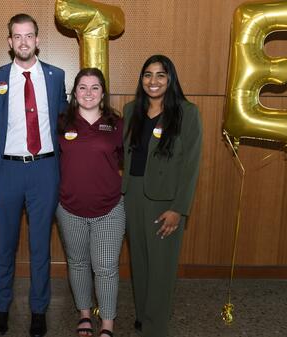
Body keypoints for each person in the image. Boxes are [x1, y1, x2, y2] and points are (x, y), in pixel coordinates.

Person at [0, 13, 67, 337]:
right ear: (9, 42)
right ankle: (2, 306)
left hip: (44, 169)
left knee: (39, 247)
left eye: (28, 36)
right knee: (4, 245)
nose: (23, 42)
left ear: (37, 39)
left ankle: (38, 310)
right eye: (17, 36)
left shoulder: (56, 75)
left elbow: (65, 120)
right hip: (6, 170)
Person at [122, 55, 202, 337]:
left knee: (162, 268)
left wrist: (179, 208)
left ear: (170, 80)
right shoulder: (131, 110)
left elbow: (191, 164)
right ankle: (144, 316)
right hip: (132, 196)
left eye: (160, 75)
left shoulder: (187, 112)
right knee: (140, 263)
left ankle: (156, 328)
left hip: (165, 201)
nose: (152, 81)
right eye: (147, 75)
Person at [56, 68, 124, 337]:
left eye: (94, 87)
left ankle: (107, 323)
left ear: (103, 93)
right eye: (82, 87)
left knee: (106, 267)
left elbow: (126, 161)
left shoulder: (116, 124)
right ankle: (84, 314)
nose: (88, 93)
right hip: (69, 208)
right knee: (78, 263)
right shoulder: (62, 122)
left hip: (109, 208)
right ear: (74, 93)